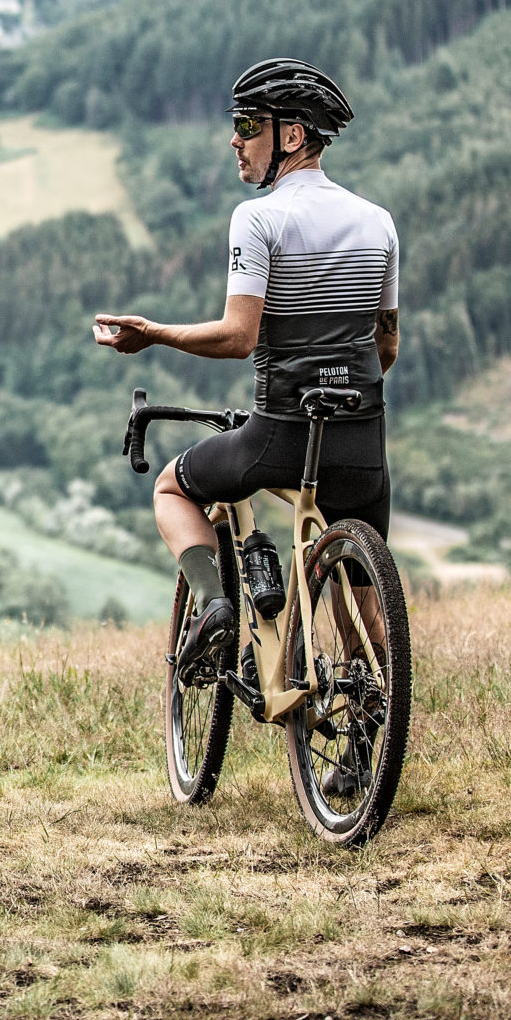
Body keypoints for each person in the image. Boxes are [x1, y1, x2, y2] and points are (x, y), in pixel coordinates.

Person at [92, 57, 399, 672]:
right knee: (362, 599)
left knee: (172, 487)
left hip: (281, 435)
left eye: (248, 124)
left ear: (291, 135)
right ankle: (370, 734)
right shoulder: (379, 222)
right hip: (363, 441)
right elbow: (384, 346)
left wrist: (152, 334)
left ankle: (211, 607)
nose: (235, 139)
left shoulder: (259, 218)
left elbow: (239, 337)